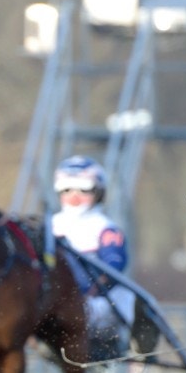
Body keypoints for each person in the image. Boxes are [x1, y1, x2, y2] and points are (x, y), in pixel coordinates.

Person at [49, 155, 141, 361]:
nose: (74, 196)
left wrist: (88, 293)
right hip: (55, 301)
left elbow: (114, 265)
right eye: (67, 190)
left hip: (95, 301)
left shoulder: (105, 228)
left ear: (98, 192)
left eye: (84, 190)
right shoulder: (49, 226)